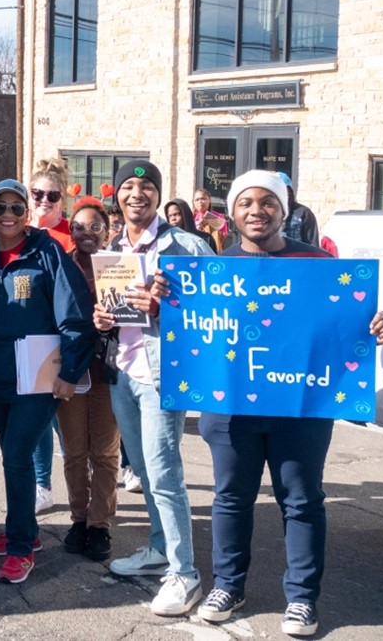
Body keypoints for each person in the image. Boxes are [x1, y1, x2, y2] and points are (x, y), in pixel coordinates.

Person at [192, 170, 383, 637]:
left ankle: (302, 598)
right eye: (245, 202)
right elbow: (189, 332)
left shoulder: (319, 265)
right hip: (232, 411)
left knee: (301, 501)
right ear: (232, 212)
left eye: (267, 202)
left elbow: (347, 325)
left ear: (285, 209)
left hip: (300, 408)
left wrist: (380, 327)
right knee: (231, 497)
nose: (256, 211)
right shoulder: (213, 273)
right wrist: (167, 301)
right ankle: (228, 585)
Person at [0, 179, 96, 584]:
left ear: (27, 214)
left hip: (41, 377)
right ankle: (27, 531)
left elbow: (74, 313)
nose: (7, 216)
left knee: (18, 457)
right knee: (13, 458)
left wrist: (70, 372)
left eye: (16, 208)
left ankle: (21, 547)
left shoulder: (47, 253)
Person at [97, 159, 213, 617]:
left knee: (165, 475)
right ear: (118, 197)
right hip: (123, 373)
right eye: (128, 187)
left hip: (163, 376)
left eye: (146, 187)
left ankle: (185, 574)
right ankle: (160, 549)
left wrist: (169, 309)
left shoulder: (187, 246)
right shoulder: (116, 247)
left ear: (159, 195)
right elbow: (114, 313)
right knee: (144, 472)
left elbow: (217, 311)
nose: (136, 195)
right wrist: (102, 318)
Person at [56, 198, 122, 561]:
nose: (87, 233)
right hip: (70, 371)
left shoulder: (119, 268)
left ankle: (100, 524)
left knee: (106, 452)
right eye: (79, 227)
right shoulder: (61, 267)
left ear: (107, 231)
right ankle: (79, 518)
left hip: (108, 371)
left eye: (95, 227)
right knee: (74, 450)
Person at [27, 159, 72, 513]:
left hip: (64, 340)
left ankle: (81, 480)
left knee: (66, 420)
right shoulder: (14, 230)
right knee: (39, 419)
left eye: (52, 195)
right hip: (28, 341)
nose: (44, 200)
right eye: (37, 193)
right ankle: (42, 484)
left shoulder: (74, 236)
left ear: (62, 200)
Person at [276, 172, 320, 246]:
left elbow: (313, 245)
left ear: (290, 191)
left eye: (285, 190)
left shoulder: (304, 213)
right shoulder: (268, 213)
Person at [192, 188, 227, 252]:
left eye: (203, 199)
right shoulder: (191, 217)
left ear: (209, 200)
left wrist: (208, 221)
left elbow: (222, 234)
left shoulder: (218, 216)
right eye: (197, 200)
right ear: (194, 202)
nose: (200, 201)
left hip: (212, 250)